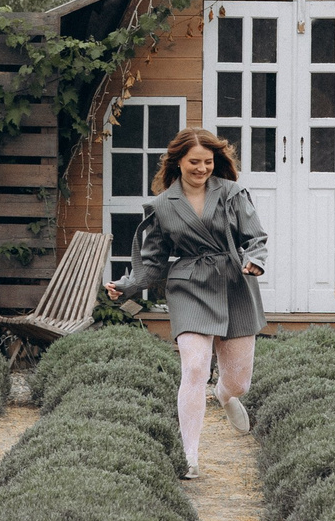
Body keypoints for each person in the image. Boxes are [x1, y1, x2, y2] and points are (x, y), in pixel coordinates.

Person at [104, 126, 267, 480]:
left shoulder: (233, 193)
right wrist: (126, 285)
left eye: (208, 161)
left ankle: (225, 395)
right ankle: (188, 455)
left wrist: (254, 259)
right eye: (195, 161)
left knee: (239, 382)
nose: (202, 168)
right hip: (189, 284)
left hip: (234, 283)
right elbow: (152, 261)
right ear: (177, 161)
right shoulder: (162, 205)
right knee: (194, 368)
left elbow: (256, 238)